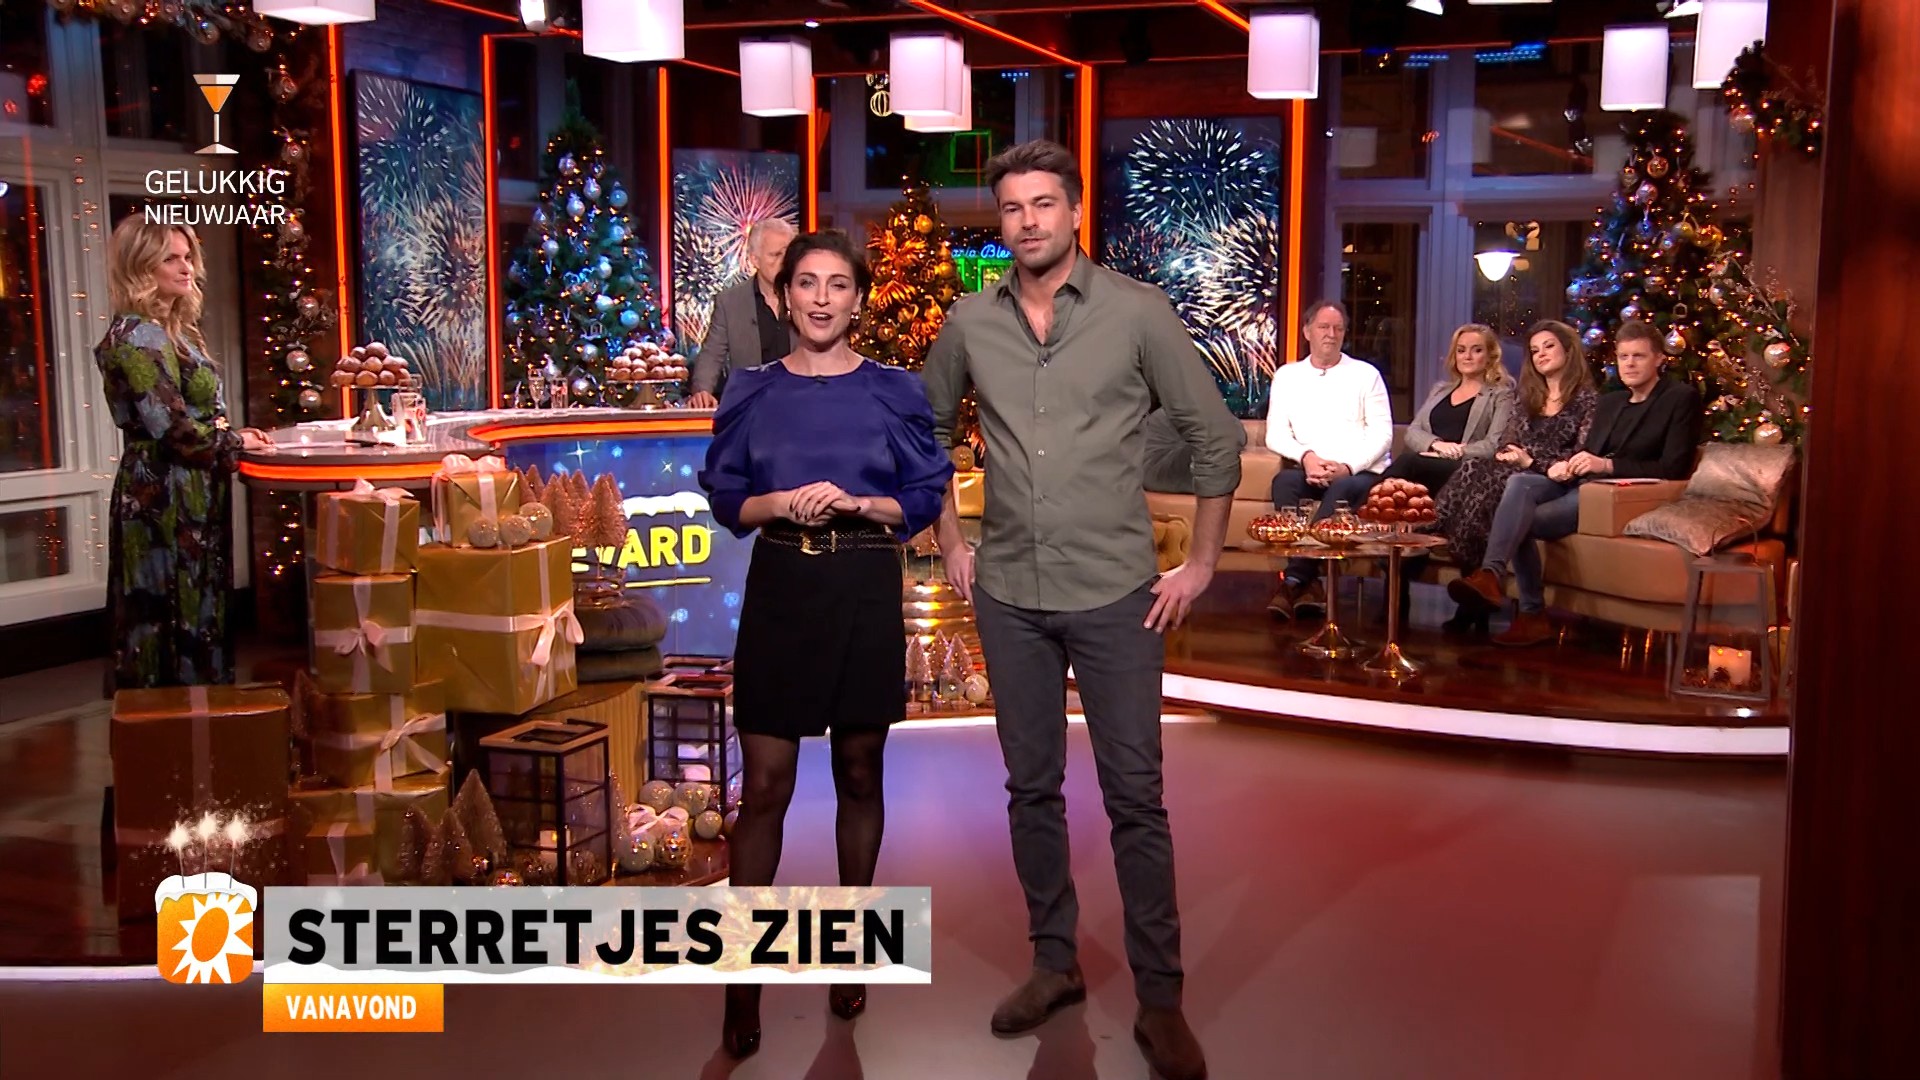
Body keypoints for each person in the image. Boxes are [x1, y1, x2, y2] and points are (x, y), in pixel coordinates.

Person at [923, 139, 1240, 1080]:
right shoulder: (970, 322)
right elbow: (924, 434)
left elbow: (1213, 438)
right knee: (1031, 790)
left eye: (1043, 204)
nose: (1027, 221)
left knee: (1135, 798)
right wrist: (951, 543)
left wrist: (1202, 563)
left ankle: (1161, 1001)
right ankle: (1054, 963)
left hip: (1115, 596)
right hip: (1010, 595)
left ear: (1074, 211)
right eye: (1012, 207)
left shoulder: (1137, 313)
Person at [696, 229, 953, 1060]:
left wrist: (860, 503)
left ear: (858, 299)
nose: (820, 299)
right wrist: (781, 503)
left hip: (863, 585)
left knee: (859, 773)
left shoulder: (893, 390)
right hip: (782, 588)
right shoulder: (752, 389)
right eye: (806, 283)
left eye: (838, 284)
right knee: (766, 788)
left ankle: (850, 950)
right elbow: (727, 496)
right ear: (784, 295)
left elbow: (923, 492)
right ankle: (742, 984)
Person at [96, 216, 272, 692]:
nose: (186, 267)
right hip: (164, 494)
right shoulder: (138, 336)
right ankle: (175, 722)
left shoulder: (169, 331)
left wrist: (231, 435)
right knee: (170, 610)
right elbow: (176, 432)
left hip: (189, 489)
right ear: (140, 267)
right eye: (170, 258)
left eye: (188, 256)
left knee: (194, 606)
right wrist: (238, 442)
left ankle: (198, 718)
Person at [1449, 319, 1701, 645]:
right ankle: (1490, 575)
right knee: (1520, 484)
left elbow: (1674, 466)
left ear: (1659, 359)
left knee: (1522, 518)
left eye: (1638, 356)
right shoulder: (1612, 401)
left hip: (1617, 491)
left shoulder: (1679, 398)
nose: (1629, 364)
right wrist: (1570, 464)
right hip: (1581, 480)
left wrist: (1607, 464)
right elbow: (1586, 449)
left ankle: (1531, 613)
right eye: (1623, 357)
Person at [1424, 320, 1597, 636]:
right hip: (1520, 471)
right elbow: (1508, 440)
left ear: (1568, 350)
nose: (1541, 354)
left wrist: (1531, 460)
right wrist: (1511, 455)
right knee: (1476, 468)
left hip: (1557, 482)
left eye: (1549, 346)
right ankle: (1472, 570)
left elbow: (1579, 457)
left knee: (1515, 485)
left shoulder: (1587, 400)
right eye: (1534, 350)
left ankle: (1471, 560)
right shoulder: (1528, 396)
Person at [1264, 299, 1393, 620]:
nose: (1331, 334)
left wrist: (1346, 467)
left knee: (1341, 491)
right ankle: (1310, 584)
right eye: (1323, 327)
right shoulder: (1288, 376)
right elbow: (1275, 435)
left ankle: (1294, 580)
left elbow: (1383, 435)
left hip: (1358, 473)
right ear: (1307, 331)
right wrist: (1306, 457)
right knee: (1283, 482)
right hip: (1308, 469)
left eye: (1338, 328)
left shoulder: (1366, 375)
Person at [1384, 323, 1516, 492]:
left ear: (1490, 356)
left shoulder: (1501, 395)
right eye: (1461, 350)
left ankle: (1360, 506)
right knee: (1396, 482)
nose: (1467, 356)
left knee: (1407, 462)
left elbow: (1493, 445)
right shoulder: (1440, 390)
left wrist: (1448, 453)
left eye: (1476, 350)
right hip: (1426, 462)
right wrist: (1436, 444)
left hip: (1466, 468)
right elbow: (1413, 431)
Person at [685, 217, 796, 409]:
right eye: (775, 255)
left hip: (799, 404)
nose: (784, 262)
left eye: (788, 254)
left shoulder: (805, 296)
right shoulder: (730, 302)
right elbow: (712, 354)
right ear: (755, 259)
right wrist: (702, 391)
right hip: (751, 408)